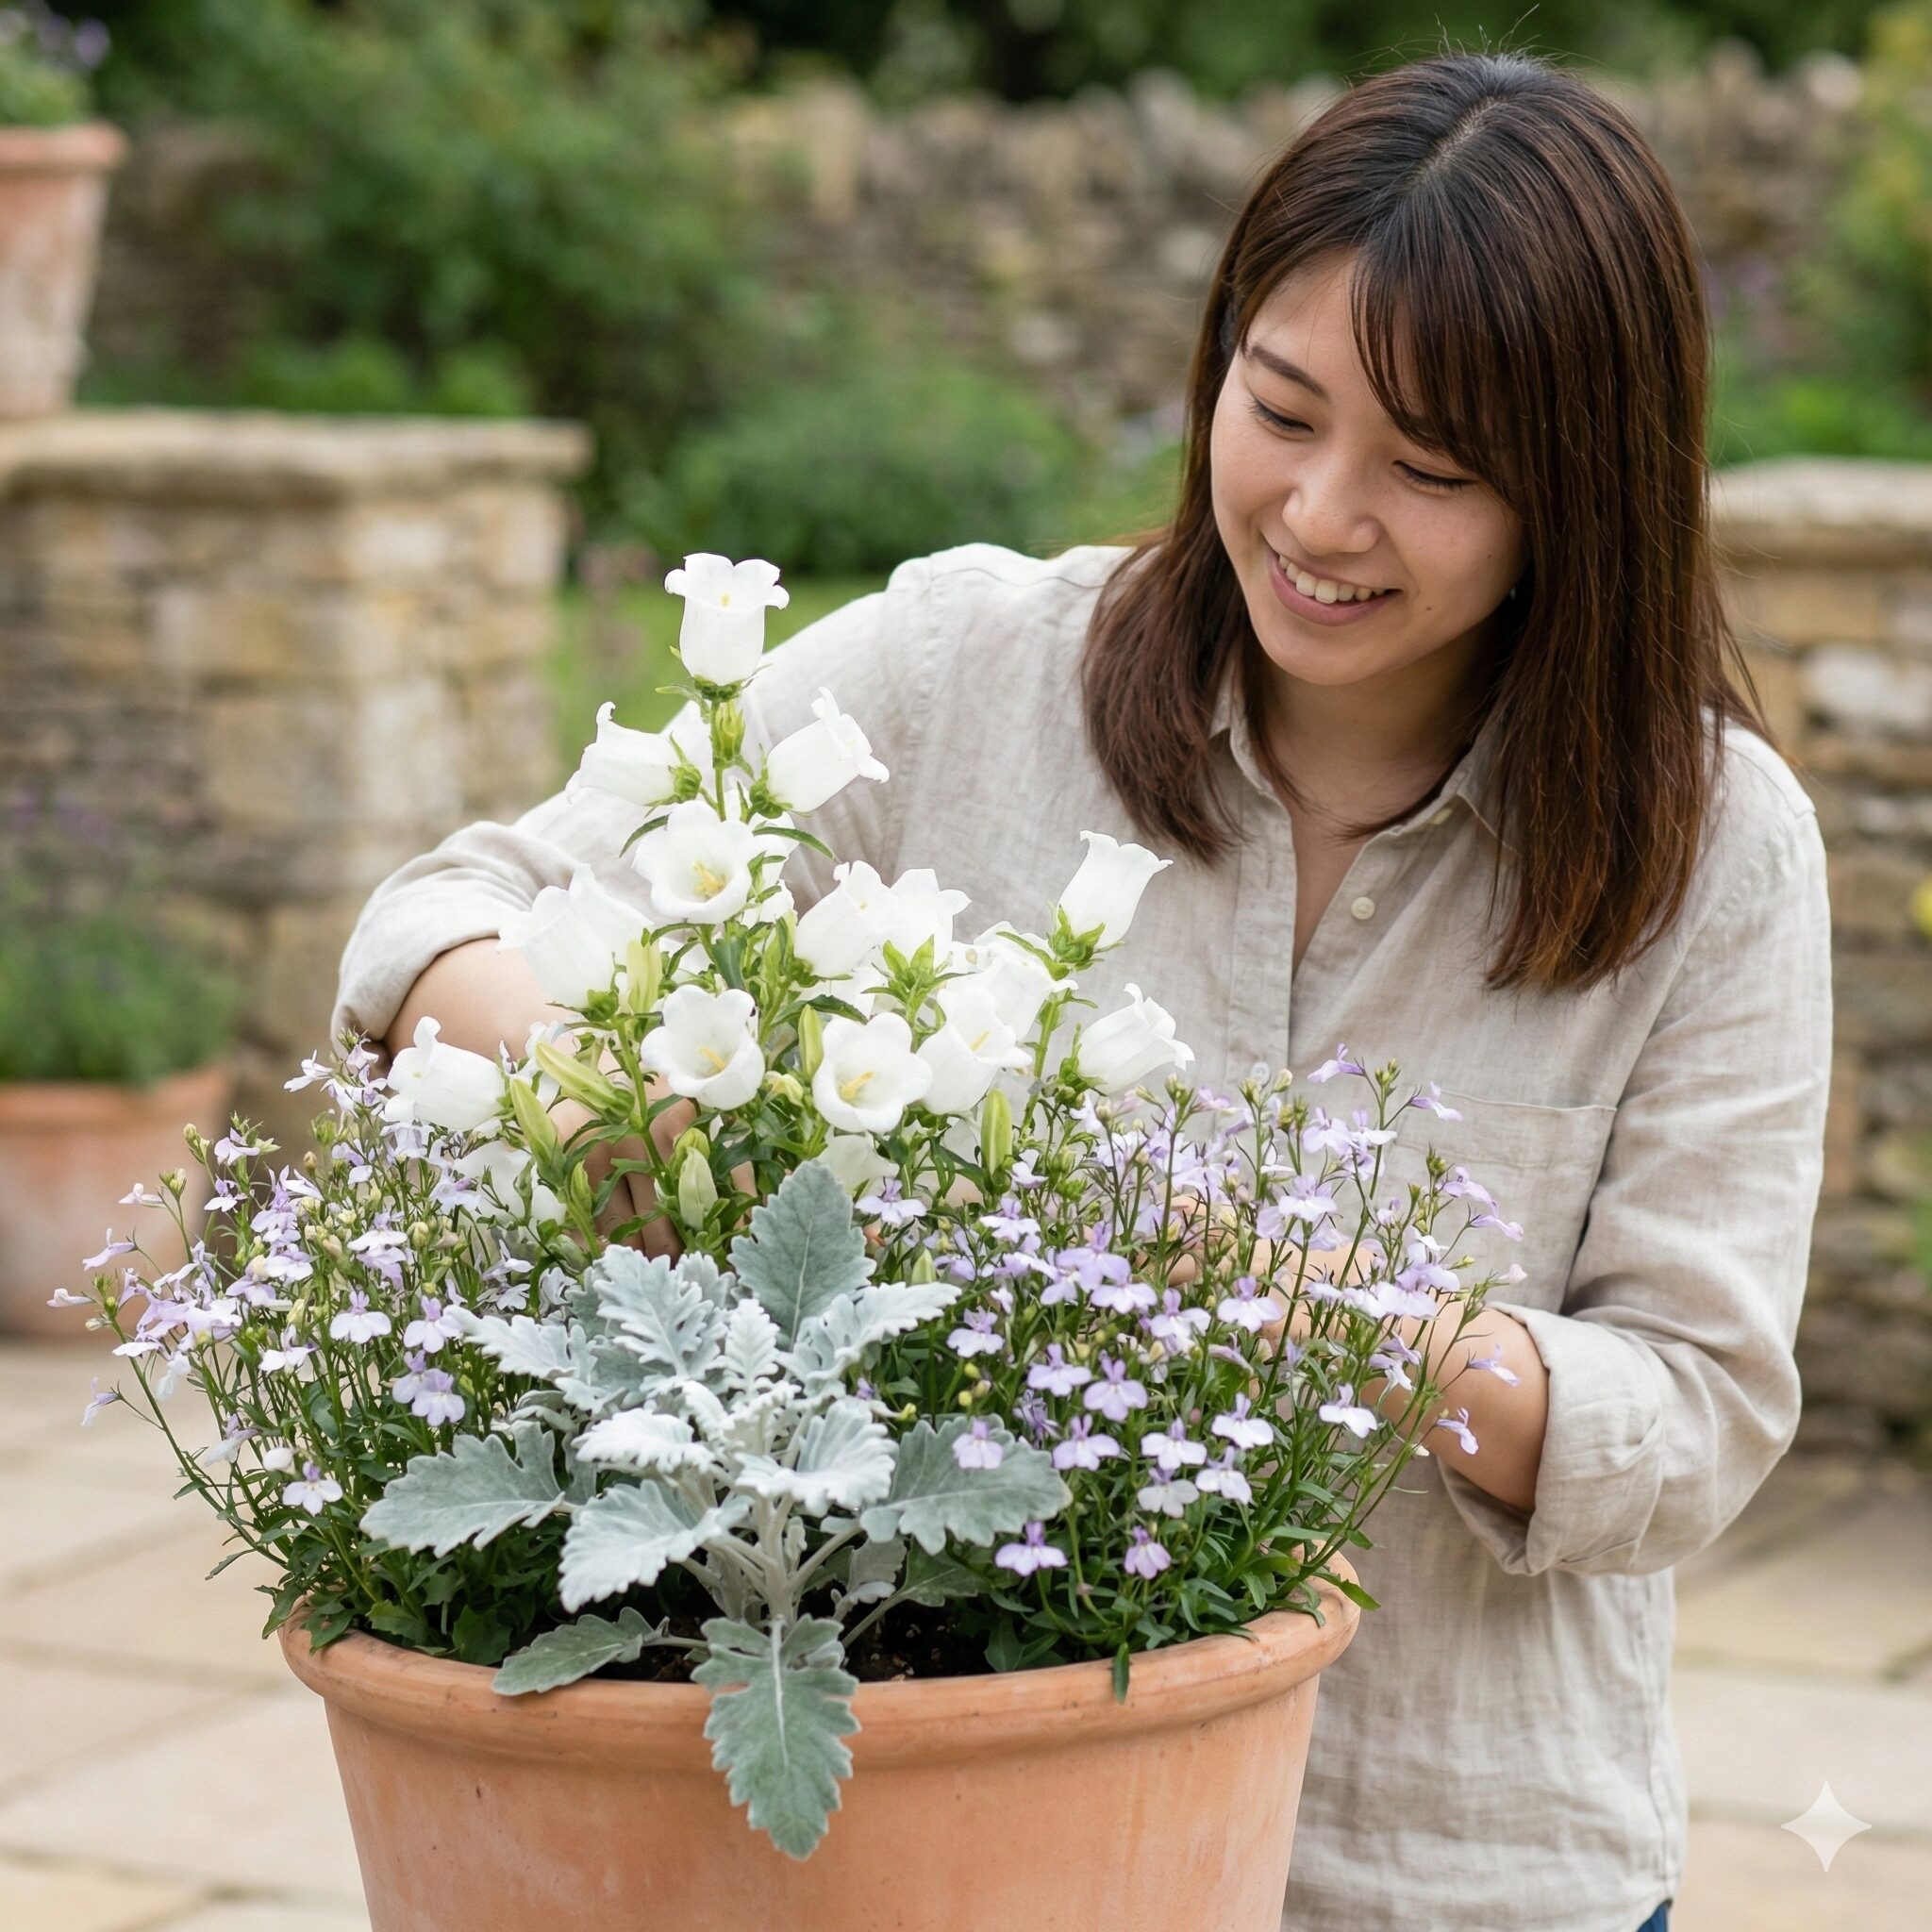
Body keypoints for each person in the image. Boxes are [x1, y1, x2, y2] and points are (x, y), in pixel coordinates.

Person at [331, 50, 1831, 1932]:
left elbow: (1692, 1414)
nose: (1317, 514)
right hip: (969, 1839)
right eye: (1276, 409)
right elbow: (437, 920)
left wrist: (1314, 1307)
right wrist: (594, 1098)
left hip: (1462, 1871)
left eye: (1429, 473)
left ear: (1579, 497)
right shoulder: (967, 671)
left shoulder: (1712, 845)